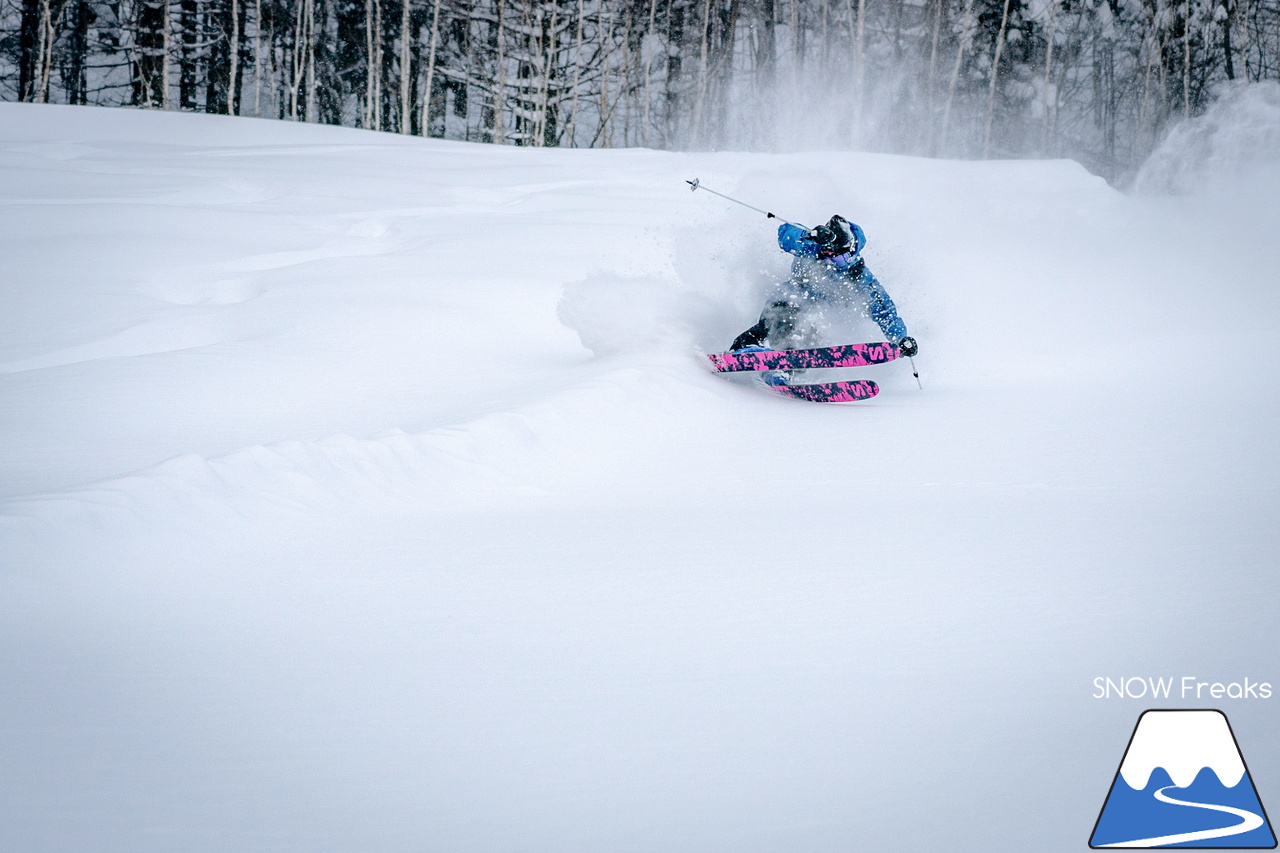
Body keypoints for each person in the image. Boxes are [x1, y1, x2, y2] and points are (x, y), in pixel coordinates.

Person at [730, 214, 917, 382]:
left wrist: (901, 338)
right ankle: (738, 352)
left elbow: (884, 311)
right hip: (787, 301)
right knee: (775, 321)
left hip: (815, 318)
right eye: (827, 256)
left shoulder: (861, 279)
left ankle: (786, 370)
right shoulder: (812, 247)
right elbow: (786, 233)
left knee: (807, 339)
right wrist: (808, 235)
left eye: (838, 259)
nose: (831, 262)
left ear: (851, 252)